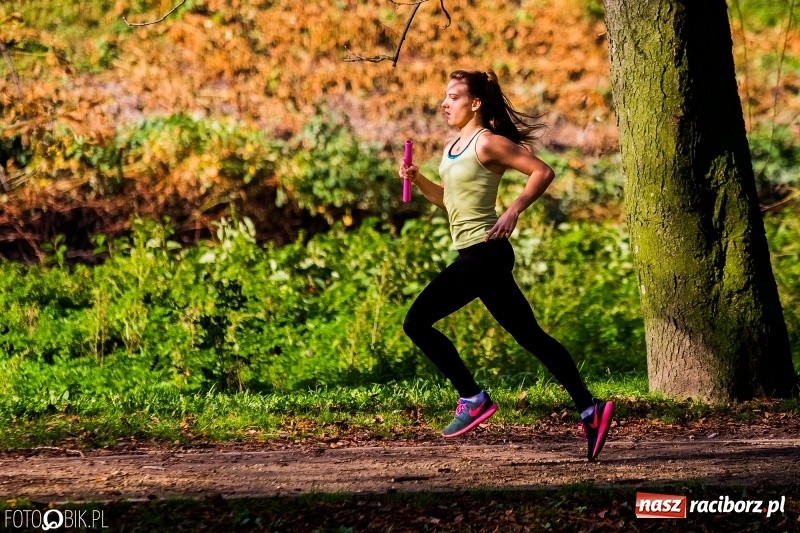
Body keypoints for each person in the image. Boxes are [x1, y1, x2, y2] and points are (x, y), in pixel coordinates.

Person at [399, 69, 613, 461]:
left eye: (454, 97)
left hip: (486, 252)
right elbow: (448, 200)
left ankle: (473, 397)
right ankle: (590, 408)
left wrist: (514, 209)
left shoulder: (489, 143)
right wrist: (419, 179)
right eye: (444, 97)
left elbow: (542, 171)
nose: (445, 103)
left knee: (416, 322)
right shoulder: (452, 147)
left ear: (475, 103)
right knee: (531, 337)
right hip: (475, 254)